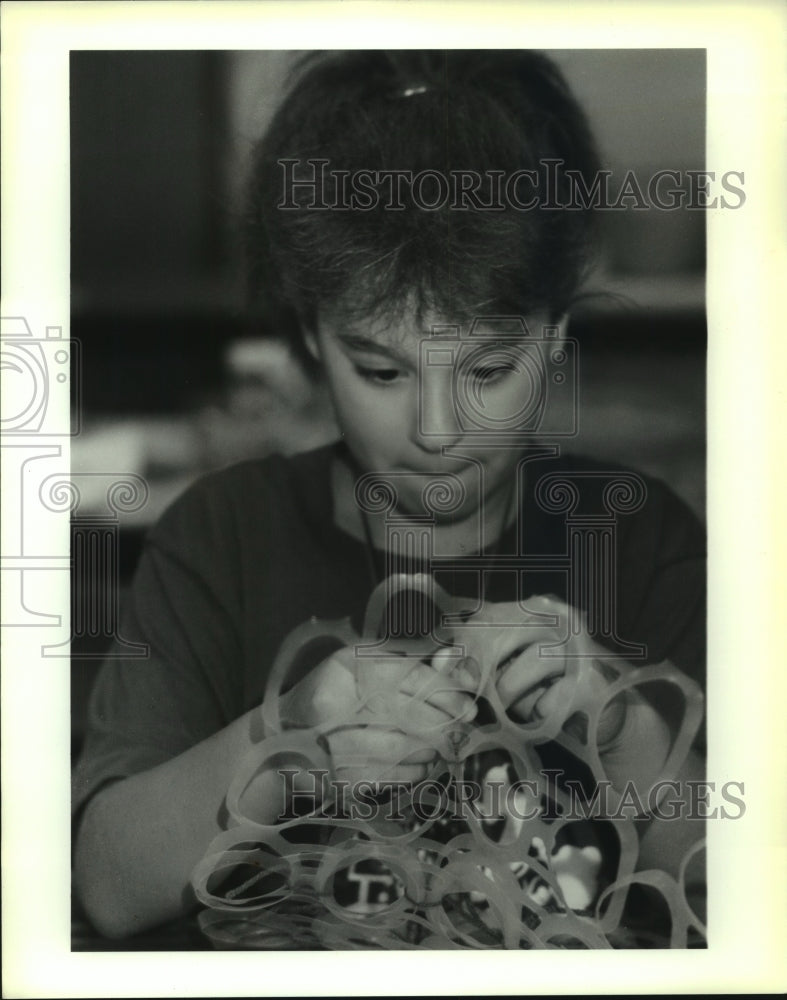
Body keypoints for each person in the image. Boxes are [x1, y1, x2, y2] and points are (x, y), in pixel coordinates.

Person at [72, 50, 706, 945]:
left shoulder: (641, 543)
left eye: (488, 369)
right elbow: (106, 885)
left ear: (556, 336)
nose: (438, 428)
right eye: (380, 369)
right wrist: (287, 743)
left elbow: (739, 877)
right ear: (310, 336)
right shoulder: (221, 539)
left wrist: (617, 725)